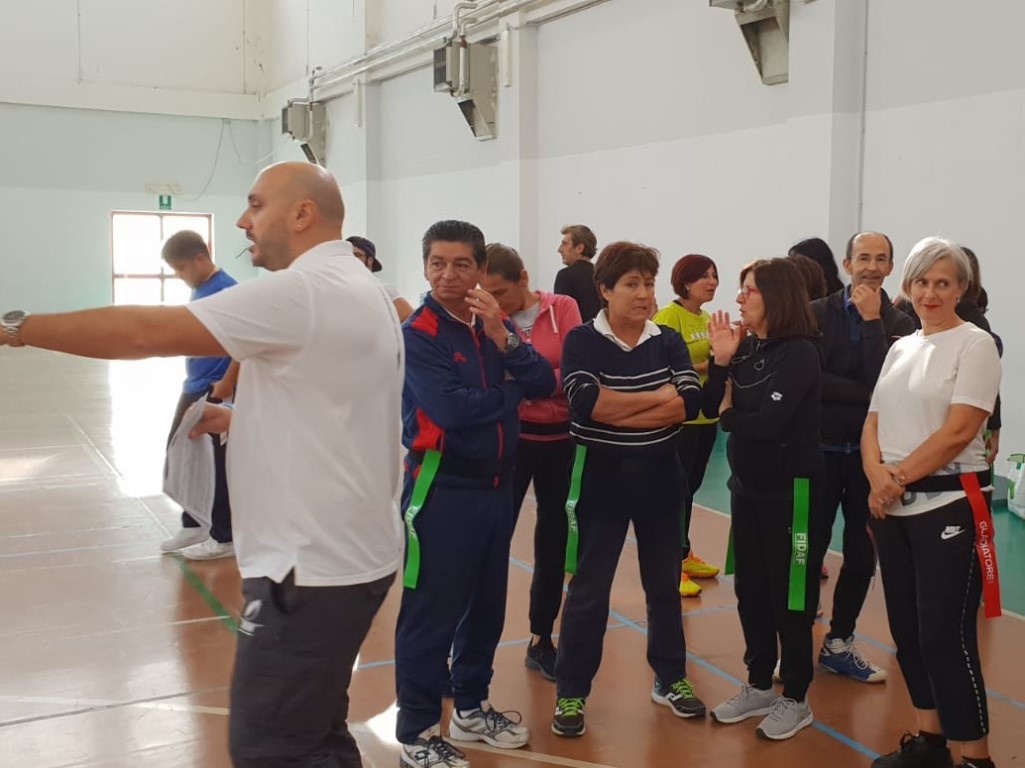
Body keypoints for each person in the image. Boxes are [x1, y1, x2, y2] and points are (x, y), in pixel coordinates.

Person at [0, 161, 405, 767]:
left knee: (271, 748)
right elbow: (339, 410)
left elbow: (138, 332)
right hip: (350, 557)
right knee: (315, 733)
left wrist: (16, 328)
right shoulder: (360, 286)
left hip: (310, 571)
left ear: (302, 214)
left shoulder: (304, 291)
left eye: (256, 204)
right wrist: (243, 420)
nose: (243, 221)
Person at [395, 220, 555, 768]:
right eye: (437, 263)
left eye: (461, 264)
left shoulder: (495, 323)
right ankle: (416, 733)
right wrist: (509, 393)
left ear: (481, 271)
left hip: (496, 490)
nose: (448, 274)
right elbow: (454, 411)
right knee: (430, 615)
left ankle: (468, 708)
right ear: (424, 267)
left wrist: (505, 343)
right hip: (440, 491)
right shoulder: (419, 333)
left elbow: (543, 382)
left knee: (485, 609)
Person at [552, 241, 705, 740]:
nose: (644, 295)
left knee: (664, 586)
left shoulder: (665, 339)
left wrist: (629, 402)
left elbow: (686, 404)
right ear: (605, 290)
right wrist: (655, 396)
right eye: (632, 284)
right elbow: (587, 406)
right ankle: (572, 690)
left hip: (662, 474)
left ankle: (670, 677)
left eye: (649, 284)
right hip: (602, 476)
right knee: (589, 590)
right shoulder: (582, 340)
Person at [863, 237, 1001, 768]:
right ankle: (930, 742)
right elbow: (872, 421)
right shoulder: (901, 346)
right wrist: (878, 476)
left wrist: (892, 477)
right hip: (893, 509)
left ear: (962, 288)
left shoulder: (976, 344)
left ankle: (976, 757)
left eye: (943, 282)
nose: (931, 292)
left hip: (948, 508)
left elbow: (959, 430)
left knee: (946, 637)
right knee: (909, 633)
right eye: (922, 282)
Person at [703, 258, 825, 741]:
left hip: (790, 493)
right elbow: (715, 405)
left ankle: (795, 695)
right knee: (750, 590)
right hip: (746, 490)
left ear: (775, 297)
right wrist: (721, 362)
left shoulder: (800, 354)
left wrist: (733, 415)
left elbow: (764, 425)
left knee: (790, 595)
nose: (738, 299)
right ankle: (758, 683)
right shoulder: (748, 347)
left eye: (747, 290)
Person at [809, 231, 915, 684]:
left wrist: (873, 324)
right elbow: (812, 380)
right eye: (863, 257)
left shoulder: (903, 324)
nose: (872, 266)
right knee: (805, 550)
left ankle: (840, 641)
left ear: (891, 267)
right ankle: (792, 644)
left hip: (871, 460)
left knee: (859, 553)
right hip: (817, 454)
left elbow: (893, 389)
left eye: (882, 259)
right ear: (848, 264)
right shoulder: (815, 313)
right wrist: (866, 393)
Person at [481, 242, 582, 682]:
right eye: (487, 294)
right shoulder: (488, 318)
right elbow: (490, 378)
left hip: (562, 442)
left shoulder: (564, 308)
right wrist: (538, 380)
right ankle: (472, 647)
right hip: (512, 440)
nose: (495, 304)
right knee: (490, 540)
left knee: (553, 542)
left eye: (500, 292)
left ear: (523, 279)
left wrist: (528, 378)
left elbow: (577, 371)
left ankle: (541, 639)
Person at [158, 230, 237, 561]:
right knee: (180, 454)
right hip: (193, 386)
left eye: (181, 268)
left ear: (201, 259)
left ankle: (224, 535)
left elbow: (243, 346)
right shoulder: (202, 289)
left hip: (213, 389)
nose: (179, 276)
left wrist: (224, 390)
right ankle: (193, 523)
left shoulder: (226, 291)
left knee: (216, 466)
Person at [652, 254, 722, 598]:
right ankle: (668, 563)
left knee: (690, 489)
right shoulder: (669, 316)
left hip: (706, 417)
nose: (711, 282)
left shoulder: (707, 318)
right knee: (673, 492)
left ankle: (683, 552)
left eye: (714, 276)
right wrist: (709, 365)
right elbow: (662, 364)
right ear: (685, 281)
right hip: (680, 416)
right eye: (703, 276)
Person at [347, 234, 415, 322]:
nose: (351, 259)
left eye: (357, 255)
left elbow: (410, 317)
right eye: (348, 256)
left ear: (370, 260)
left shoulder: (381, 288)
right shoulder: (342, 286)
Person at [554, 224, 601, 322]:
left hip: (577, 335)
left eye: (565, 244)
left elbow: (560, 318)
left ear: (579, 248)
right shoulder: (603, 275)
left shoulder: (565, 276)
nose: (560, 249)